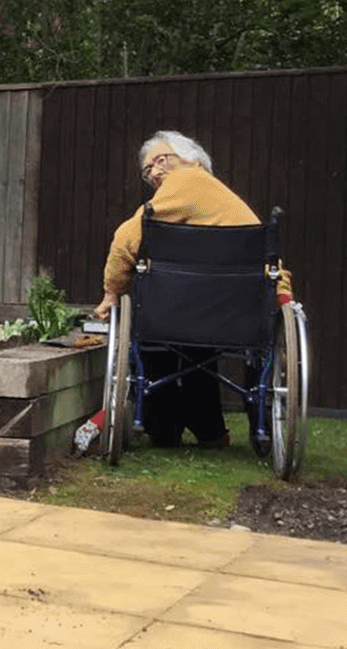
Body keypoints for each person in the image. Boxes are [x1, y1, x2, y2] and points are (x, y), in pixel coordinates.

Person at [93, 131, 295, 448]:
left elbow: (125, 240)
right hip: (234, 312)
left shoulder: (186, 180)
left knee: (155, 340)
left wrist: (111, 293)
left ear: (191, 158)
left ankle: (163, 428)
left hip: (180, 313)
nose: (156, 170)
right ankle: (211, 431)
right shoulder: (218, 199)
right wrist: (284, 294)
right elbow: (268, 263)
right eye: (148, 169)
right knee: (197, 347)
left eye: (162, 159)